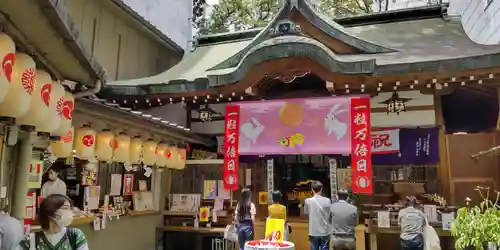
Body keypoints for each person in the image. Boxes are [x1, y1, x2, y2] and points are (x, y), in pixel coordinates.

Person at [21, 194, 88, 250]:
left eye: (70, 208)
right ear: (50, 212)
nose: (70, 212)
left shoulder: (75, 235)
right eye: (66, 208)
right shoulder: (31, 240)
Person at [304, 181, 331, 250]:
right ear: (321, 189)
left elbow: (306, 214)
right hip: (325, 232)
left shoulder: (308, 201)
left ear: (312, 189)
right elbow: (330, 214)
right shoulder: (327, 201)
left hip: (313, 232)